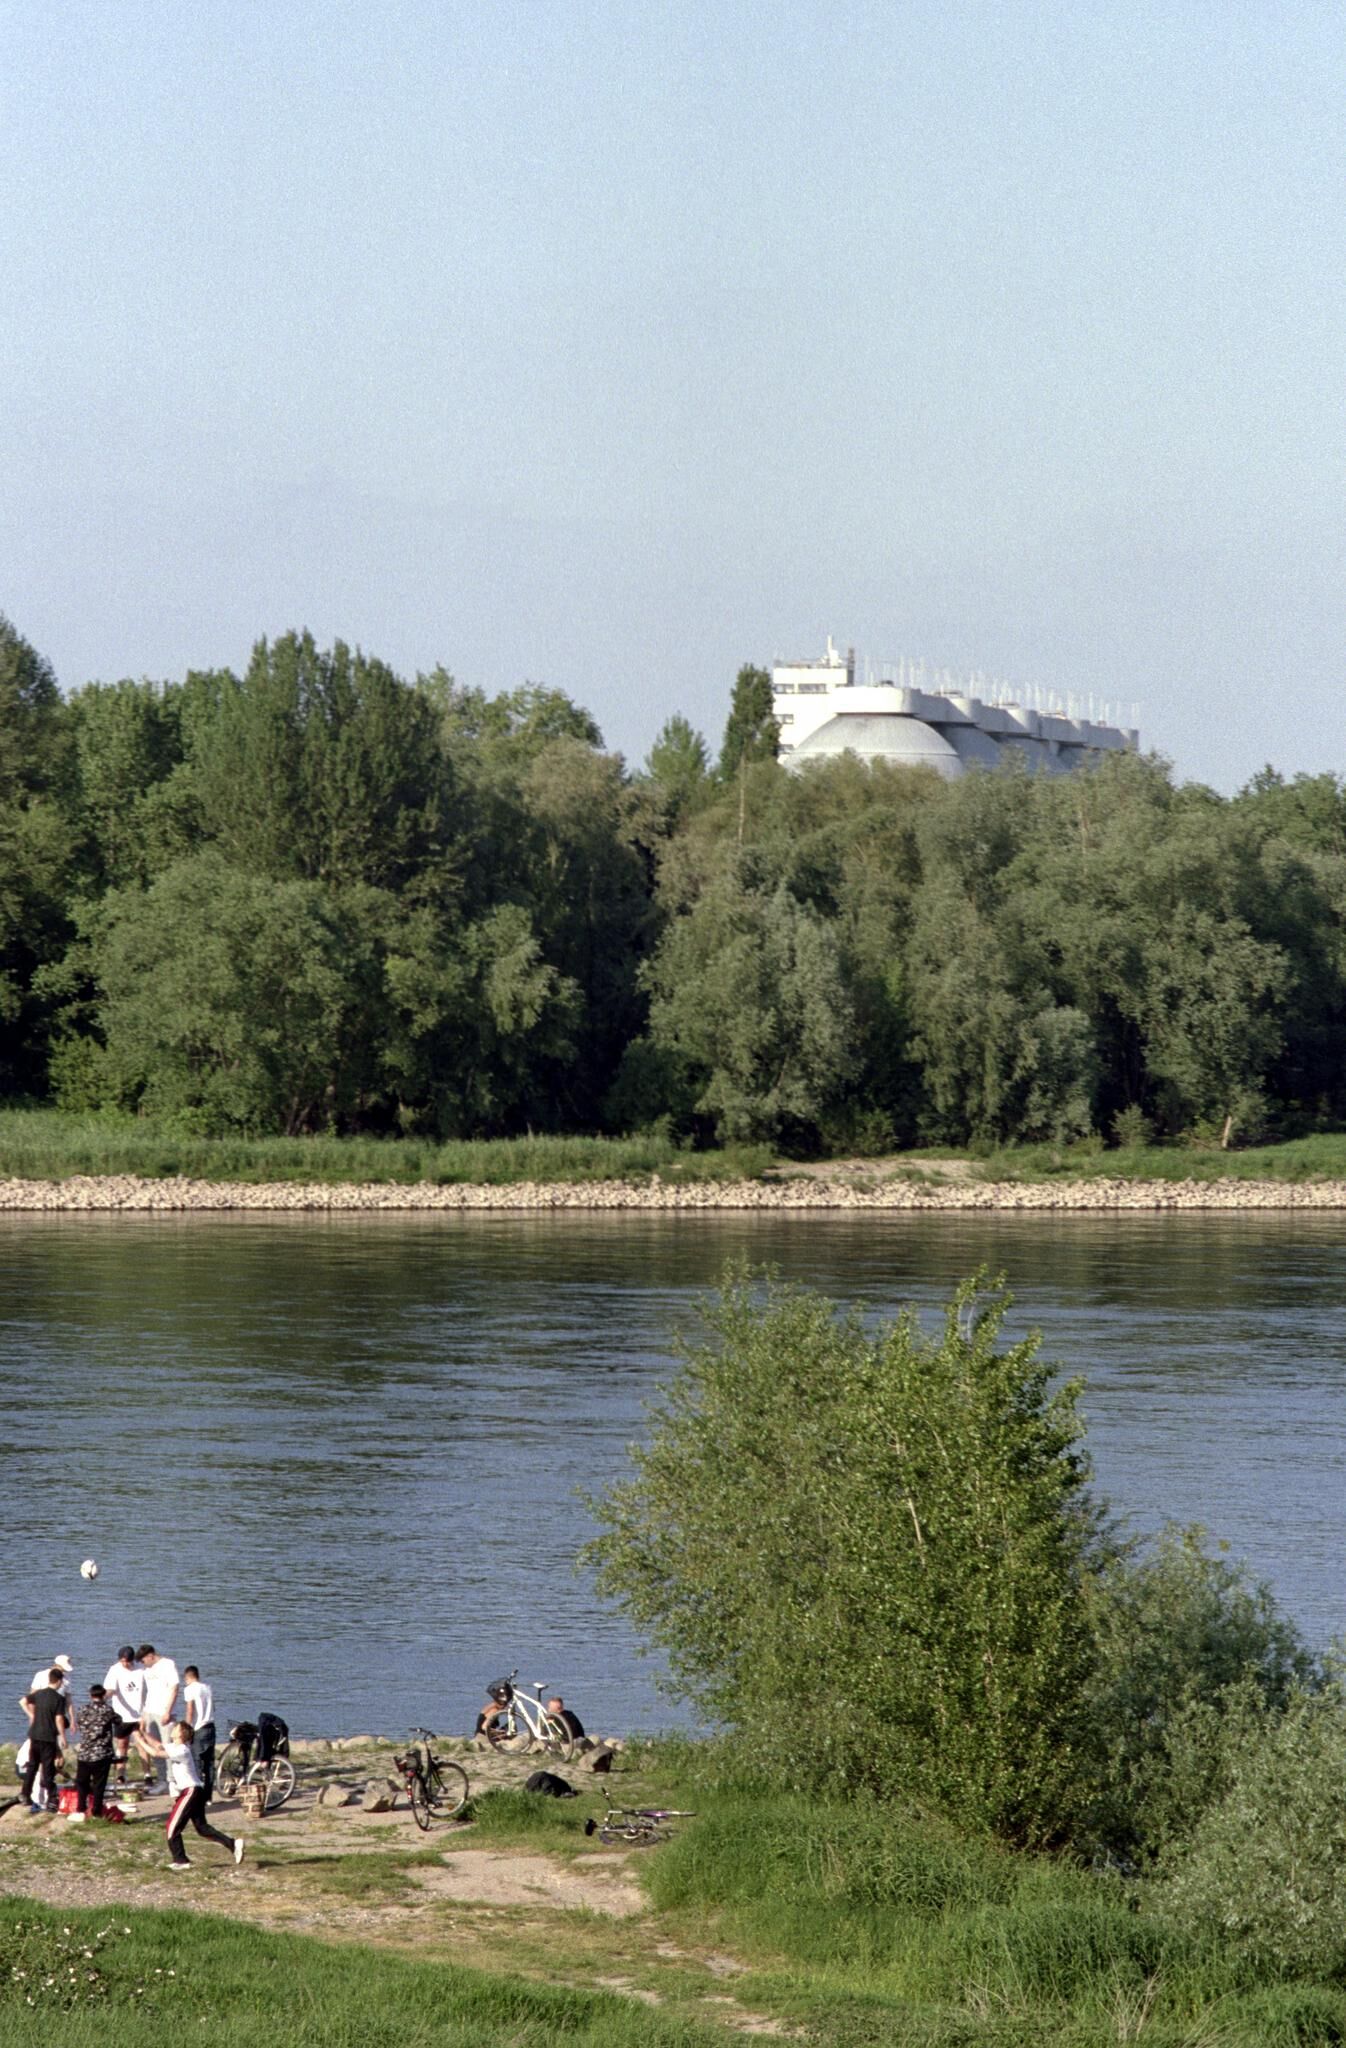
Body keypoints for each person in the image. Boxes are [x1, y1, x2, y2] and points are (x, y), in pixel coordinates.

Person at [138, 1719, 244, 1871]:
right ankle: (233, 1844)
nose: (173, 1729)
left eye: (177, 1728)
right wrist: (142, 1732)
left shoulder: (182, 1750)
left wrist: (138, 1740)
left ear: (182, 1734)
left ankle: (181, 1860)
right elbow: (158, 1745)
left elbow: (155, 1752)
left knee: (172, 1826)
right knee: (202, 1828)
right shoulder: (176, 1746)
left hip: (191, 1791)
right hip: (194, 1790)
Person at [20, 1668, 69, 1813]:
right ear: (59, 1681)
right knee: (48, 1769)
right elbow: (59, 1719)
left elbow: (22, 1701)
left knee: (32, 1766)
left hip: (35, 1734)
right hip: (48, 1736)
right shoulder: (59, 1699)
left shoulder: (38, 1694)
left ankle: (25, 1794)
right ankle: (52, 1799)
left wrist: (32, 1716)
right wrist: (63, 1737)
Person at [136, 1644, 180, 1790]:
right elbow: (145, 1693)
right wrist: (143, 1714)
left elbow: (174, 1688)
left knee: (168, 1746)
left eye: (143, 1660)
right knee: (154, 1746)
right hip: (149, 1711)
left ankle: (172, 1780)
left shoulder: (168, 1664)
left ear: (150, 1655)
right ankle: (162, 1779)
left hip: (164, 1712)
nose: (143, 1664)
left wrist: (168, 1711)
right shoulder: (147, 1671)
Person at [103, 1646, 145, 1789]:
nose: (125, 1664)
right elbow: (110, 1689)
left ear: (132, 1660)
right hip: (121, 1714)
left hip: (140, 1714)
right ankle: (121, 1774)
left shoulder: (141, 1669)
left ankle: (147, 1774)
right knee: (122, 1744)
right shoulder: (115, 1670)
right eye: (122, 1661)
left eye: (127, 1662)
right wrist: (105, 1696)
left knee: (142, 1744)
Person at [74, 1682, 117, 1817]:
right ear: (104, 1695)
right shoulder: (108, 1710)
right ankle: (96, 1811)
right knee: (99, 1784)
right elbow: (119, 1721)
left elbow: (80, 1724)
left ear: (90, 1695)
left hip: (85, 1752)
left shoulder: (82, 1709)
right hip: (102, 1753)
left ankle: (81, 1807)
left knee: (82, 1782)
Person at [183, 1664, 216, 1801]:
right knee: (209, 1764)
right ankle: (208, 1797)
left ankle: (197, 1796)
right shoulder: (207, 1688)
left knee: (196, 1763)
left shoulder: (189, 1689)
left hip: (198, 1728)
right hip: (210, 1726)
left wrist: (187, 1728)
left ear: (187, 1677)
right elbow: (213, 1707)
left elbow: (190, 1710)